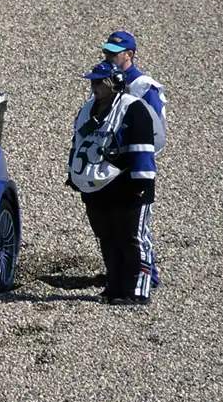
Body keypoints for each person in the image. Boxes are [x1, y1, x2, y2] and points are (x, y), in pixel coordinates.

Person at [67, 61, 157, 305]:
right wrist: (73, 174)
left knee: (133, 239)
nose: (94, 86)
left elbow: (142, 149)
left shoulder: (134, 109)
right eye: (93, 82)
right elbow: (78, 143)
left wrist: (142, 183)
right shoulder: (87, 109)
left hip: (128, 186)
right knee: (107, 238)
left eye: (99, 82)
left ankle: (138, 292)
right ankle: (114, 286)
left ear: (113, 83)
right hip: (97, 186)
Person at [102, 31, 165, 289]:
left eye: (113, 53)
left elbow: (155, 130)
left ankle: (148, 277)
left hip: (134, 165)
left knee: (136, 228)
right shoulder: (105, 79)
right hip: (108, 165)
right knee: (112, 224)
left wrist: (140, 163)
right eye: (106, 52)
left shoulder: (145, 87)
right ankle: (121, 273)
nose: (108, 56)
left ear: (129, 55)